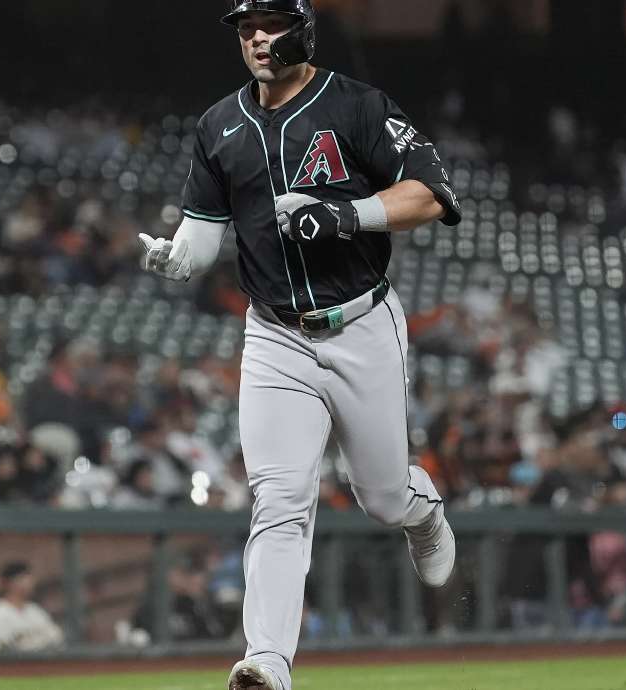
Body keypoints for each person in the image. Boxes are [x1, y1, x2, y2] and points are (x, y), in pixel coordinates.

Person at [136, 3, 461, 688]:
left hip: (362, 323)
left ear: (303, 28)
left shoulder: (357, 105)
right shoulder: (219, 123)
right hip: (275, 336)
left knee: (379, 496)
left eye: (270, 23)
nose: (255, 37)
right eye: (245, 27)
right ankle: (268, 663)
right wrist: (177, 258)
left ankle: (420, 510)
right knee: (279, 498)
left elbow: (432, 194)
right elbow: (201, 237)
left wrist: (350, 214)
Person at [0, 561, 64, 653]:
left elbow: (56, 637)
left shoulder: (34, 610)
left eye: (29, 578)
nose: (29, 583)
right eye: (22, 579)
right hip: (11, 666)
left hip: (39, 664)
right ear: (9, 583)